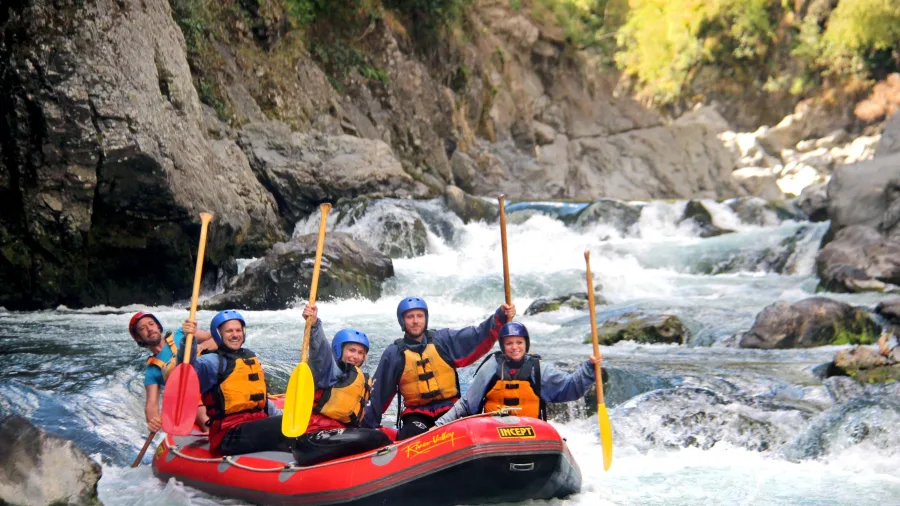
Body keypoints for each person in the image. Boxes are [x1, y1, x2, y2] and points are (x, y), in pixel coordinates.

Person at [363, 296, 516, 440]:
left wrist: (500, 317)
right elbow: (378, 394)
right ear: (402, 321)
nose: (415, 321)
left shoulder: (443, 340)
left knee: (463, 433)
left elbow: (477, 335)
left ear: (426, 318)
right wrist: (365, 426)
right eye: (410, 317)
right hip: (417, 415)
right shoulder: (394, 353)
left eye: (420, 316)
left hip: (451, 409)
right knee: (411, 435)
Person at [434, 322, 603, 426]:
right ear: (503, 346)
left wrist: (589, 369)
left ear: (526, 344)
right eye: (509, 343)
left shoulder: (538, 369)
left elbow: (569, 388)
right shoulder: (491, 367)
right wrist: (439, 425)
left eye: (519, 342)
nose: (515, 347)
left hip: (531, 432)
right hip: (493, 432)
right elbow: (467, 405)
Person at [290, 305, 392, 466]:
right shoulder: (328, 371)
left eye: (361, 353)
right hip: (313, 438)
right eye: (351, 350)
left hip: (337, 436)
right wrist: (315, 324)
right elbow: (320, 352)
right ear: (339, 350)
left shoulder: (361, 380)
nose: (356, 356)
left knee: (379, 434)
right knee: (378, 439)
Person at [185, 309, 291, 455]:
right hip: (229, 434)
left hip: (254, 425)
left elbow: (261, 400)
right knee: (283, 425)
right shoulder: (210, 362)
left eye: (238, 330)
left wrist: (286, 415)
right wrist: (189, 341)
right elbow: (186, 370)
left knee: (293, 422)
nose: (235, 335)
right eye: (229, 331)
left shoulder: (249, 358)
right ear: (218, 334)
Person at [129, 311, 214, 433]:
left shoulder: (182, 333)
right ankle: (209, 430)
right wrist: (153, 422)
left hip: (212, 379)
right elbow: (151, 407)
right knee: (198, 409)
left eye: (151, 324)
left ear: (158, 326)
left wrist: (200, 348)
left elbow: (216, 338)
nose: (149, 329)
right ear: (138, 337)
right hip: (193, 397)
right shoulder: (152, 371)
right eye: (142, 328)